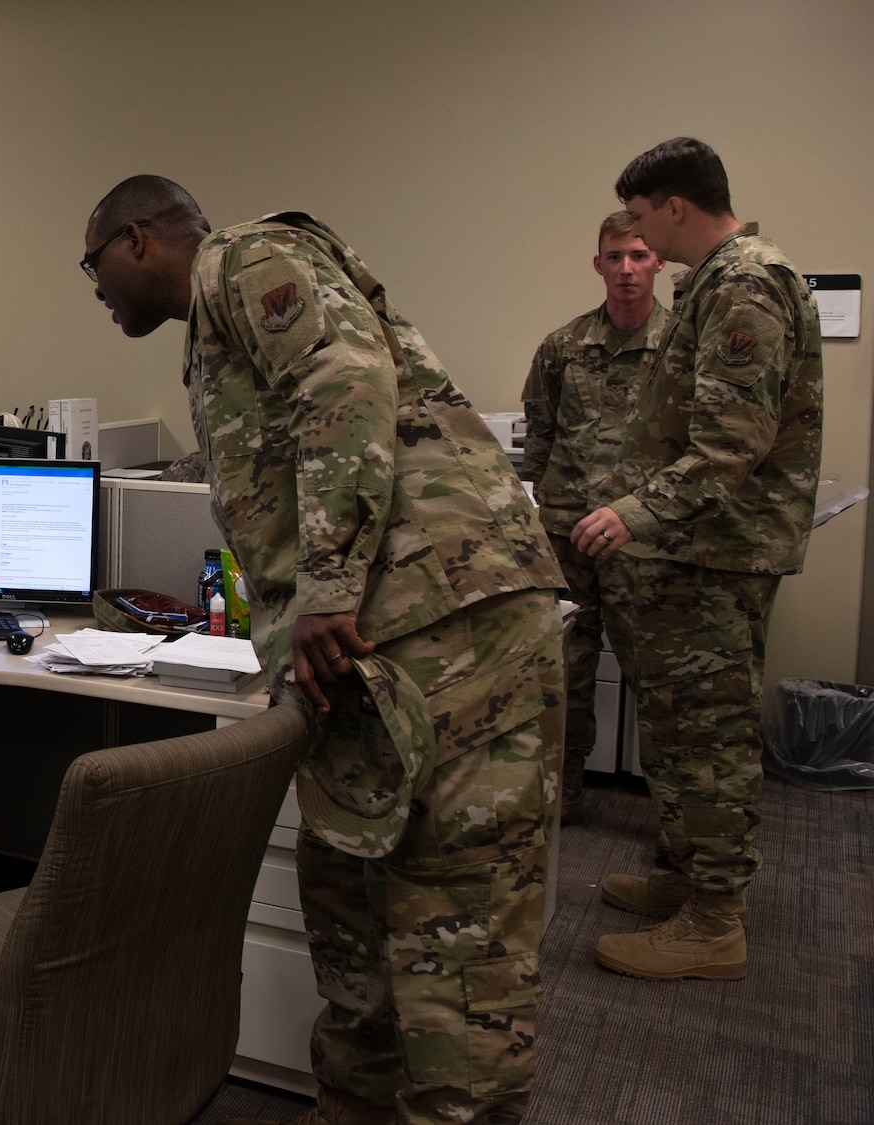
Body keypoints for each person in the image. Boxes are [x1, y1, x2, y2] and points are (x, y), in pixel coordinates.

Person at [81, 175, 564, 1125]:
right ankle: (354, 1105)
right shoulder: (212, 334)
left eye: (91, 264)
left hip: (447, 619)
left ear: (137, 240)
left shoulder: (250, 259)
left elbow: (345, 385)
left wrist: (329, 584)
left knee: (456, 914)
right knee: (349, 886)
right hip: (368, 646)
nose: (93, 289)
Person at [573, 138, 823, 981]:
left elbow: (733, 441)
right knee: (678, 735)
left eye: (641, 219)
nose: (638, 236)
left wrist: (634, 511)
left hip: (717, 552)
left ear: (673, 207)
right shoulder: (716, 282)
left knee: (709, 737)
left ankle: (714, 920)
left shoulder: (745, 282)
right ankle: (687, 880)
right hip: (693, 550)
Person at [520, 213, 668, 825]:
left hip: (646, 537)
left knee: (659, 678)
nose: (626, 269)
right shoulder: (563, 346)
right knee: (564, 671)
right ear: (598, 264)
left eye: (638, 255)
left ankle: (678, 824)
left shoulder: (681, 346)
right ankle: (566, 793)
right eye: (614, 257)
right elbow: (541, 438)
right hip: (567, 532)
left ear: (658, 261)